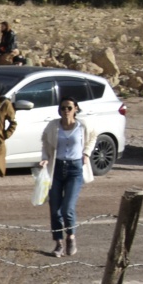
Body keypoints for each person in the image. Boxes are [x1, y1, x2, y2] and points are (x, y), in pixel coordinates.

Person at [40, 99, 97, 257]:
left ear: (76, 109)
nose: (66, 110)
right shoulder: (53, 126)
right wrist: (45, 157)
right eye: (63, 108)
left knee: (67, 208)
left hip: (75, 169)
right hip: (57, 168)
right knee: (55, 209)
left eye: (69, 108)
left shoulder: (82, 125)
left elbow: (93, 137)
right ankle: (58, 243)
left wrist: (86, 153)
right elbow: (46, 142)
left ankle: (70, 238)